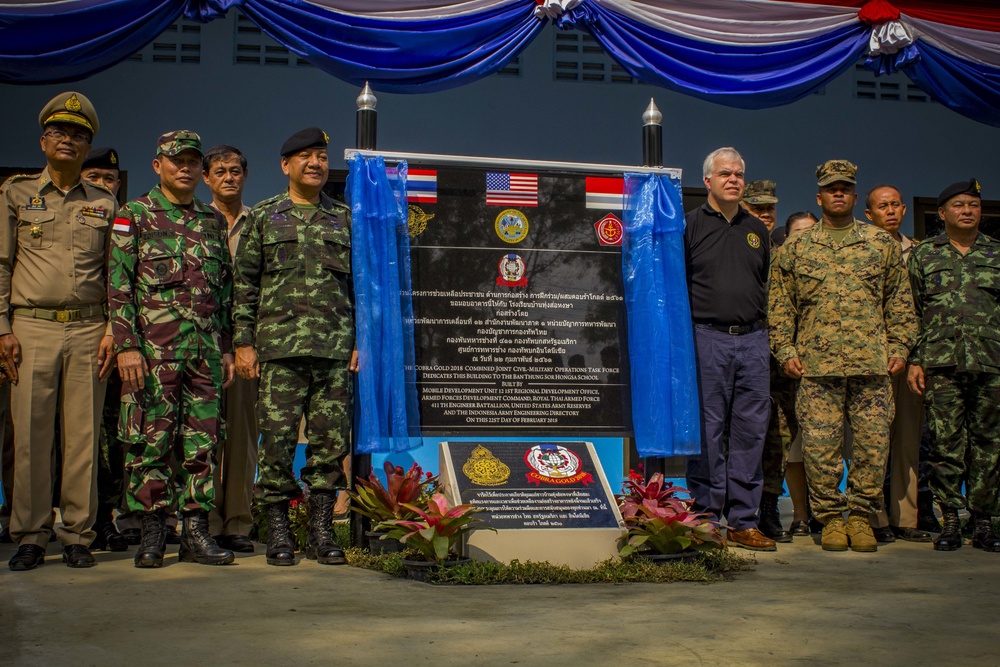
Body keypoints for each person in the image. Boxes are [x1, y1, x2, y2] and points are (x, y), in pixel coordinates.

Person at [769, 160, 917, 553]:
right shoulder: (797, 247)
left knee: (872, 446)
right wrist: (785, 350)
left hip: (872, 365)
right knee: (820, 449)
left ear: (854, 197)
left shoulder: (880, 244)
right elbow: (780, 305)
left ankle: (863, 517)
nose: (838, 193)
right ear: (819, 198)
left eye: (845, 188)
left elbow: (899, 304)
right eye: (831, 188)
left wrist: (900, 348)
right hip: (816, 370)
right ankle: (831, 519)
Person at [2, 92, 118, 571]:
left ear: (87, 144)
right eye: (60, 132)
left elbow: (117, 274)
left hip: (90, 328)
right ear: (44, 141)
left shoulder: (106, 202)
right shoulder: (15, 193)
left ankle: (77, 534)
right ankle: (31, 533)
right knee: (29, 435)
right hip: (30, 328)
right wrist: (2, 328)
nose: (69, 140)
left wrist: (114, 327)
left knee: (83, 437)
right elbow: (1, 264)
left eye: (79, 135)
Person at [109, 130, 236, 568]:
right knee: (151, 441)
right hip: (153, 355)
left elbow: (224, 291)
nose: (184, 167)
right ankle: (152, 532)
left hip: (203, 354)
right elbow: (119, 287)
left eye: (191, 161)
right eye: (175, 160)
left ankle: (195, 532)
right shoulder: (134, 214)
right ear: (157, 164)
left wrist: (225, 346)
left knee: (202, 442)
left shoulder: (211, 220)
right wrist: (127, 347)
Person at [233, 127, 358, 566]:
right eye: (304, 157)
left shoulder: (345, 219)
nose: (315, 164)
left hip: (333, 352)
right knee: (278, 444)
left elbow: (360, 288)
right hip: (279, 353)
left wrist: (358, 341)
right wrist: (243, 344)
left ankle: (321, 531)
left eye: (321, 156)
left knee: (328, 446)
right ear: (285, 166)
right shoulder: (265, 217)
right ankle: (279, 531)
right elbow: (244, 285)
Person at [683, 147, 775, 551]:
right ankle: (704, 518)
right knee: (707, 432)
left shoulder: (758, 230)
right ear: (708, 181)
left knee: (750, 433)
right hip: (707, 339)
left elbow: (768, 286)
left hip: (754, 341)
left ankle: (743, 521)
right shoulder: (688, 227)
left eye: (739, 173)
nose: (733, 179)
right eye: (725, 174)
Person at [907, 179, 1000, 552]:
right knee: (945, 445)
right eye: (959, 205)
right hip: (941, 364)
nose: (967, 211)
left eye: (974, 205)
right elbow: (911, 313)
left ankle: (985, 522)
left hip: (991, 363)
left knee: (989, 445)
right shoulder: (924, 255)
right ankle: (950, 521)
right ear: (942, 213)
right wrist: (915, 360)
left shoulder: (996, 253)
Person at [863, 185, 932, 544]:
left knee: (908, 439)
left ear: (905, 209)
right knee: (871, 443)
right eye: (881, 206)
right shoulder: (861, 248)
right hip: (869, 357)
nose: (890, 211)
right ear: (869, 214)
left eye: (895, 205)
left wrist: (914, 355)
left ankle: (907, 518)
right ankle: (874, 518)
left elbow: (924, 308)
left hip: (907, 359)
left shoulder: (920, 253)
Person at [202, 145, 258, 553]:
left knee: (242, 434)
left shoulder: (259, 223)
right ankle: (201, 519)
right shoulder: (193, 221)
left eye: (235, 170)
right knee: (198, 436)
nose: (228, 177)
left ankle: (237, 520)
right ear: (206, 177)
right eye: (219, 171)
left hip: (244, 346)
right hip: (198, 342)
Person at [78, 147, 129, 553]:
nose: (103, 185)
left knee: (115, 437)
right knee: (75, 438)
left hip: (118, 342)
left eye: (110, 179)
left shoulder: (130, 221)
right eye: (94, 177)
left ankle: (106, 517)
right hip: (80, 336)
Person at [759, 211, 817, 542]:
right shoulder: (772, 267)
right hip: (767, 366)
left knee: (789, 442)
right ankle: (757, 508)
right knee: (768, 440)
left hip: (811, 368)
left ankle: (783, 508)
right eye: (797, 234)